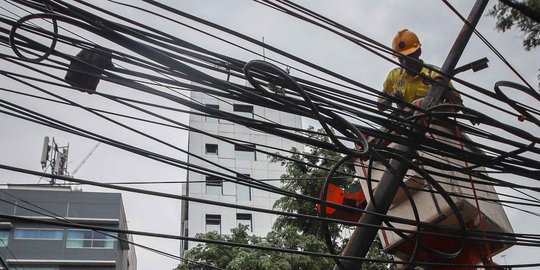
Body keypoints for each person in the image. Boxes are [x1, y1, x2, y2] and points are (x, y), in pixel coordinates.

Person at [377, 29, 461, 112]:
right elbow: (380, 106)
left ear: (419, 52)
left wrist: (429, 107)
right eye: (401, 58)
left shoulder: (436, 75)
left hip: (430, 123)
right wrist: (390, 98)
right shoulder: (394, 75)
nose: (405, 62)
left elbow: (457, 103)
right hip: (404, 123)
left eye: (409, 56)